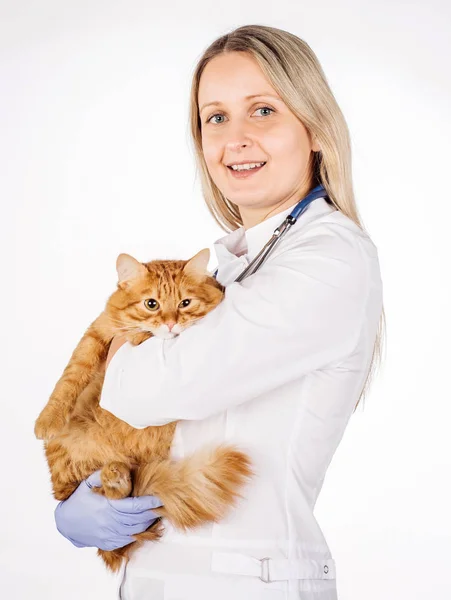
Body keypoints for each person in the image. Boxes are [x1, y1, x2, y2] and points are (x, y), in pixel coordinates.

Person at [54, 24, 385, 600]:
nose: (235, 139)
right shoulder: (224, 266)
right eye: (215, 117)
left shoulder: (332, 258)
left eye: (262, 110)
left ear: (314, 127)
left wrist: (122, 351)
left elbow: (148, 388)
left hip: (255, 583)